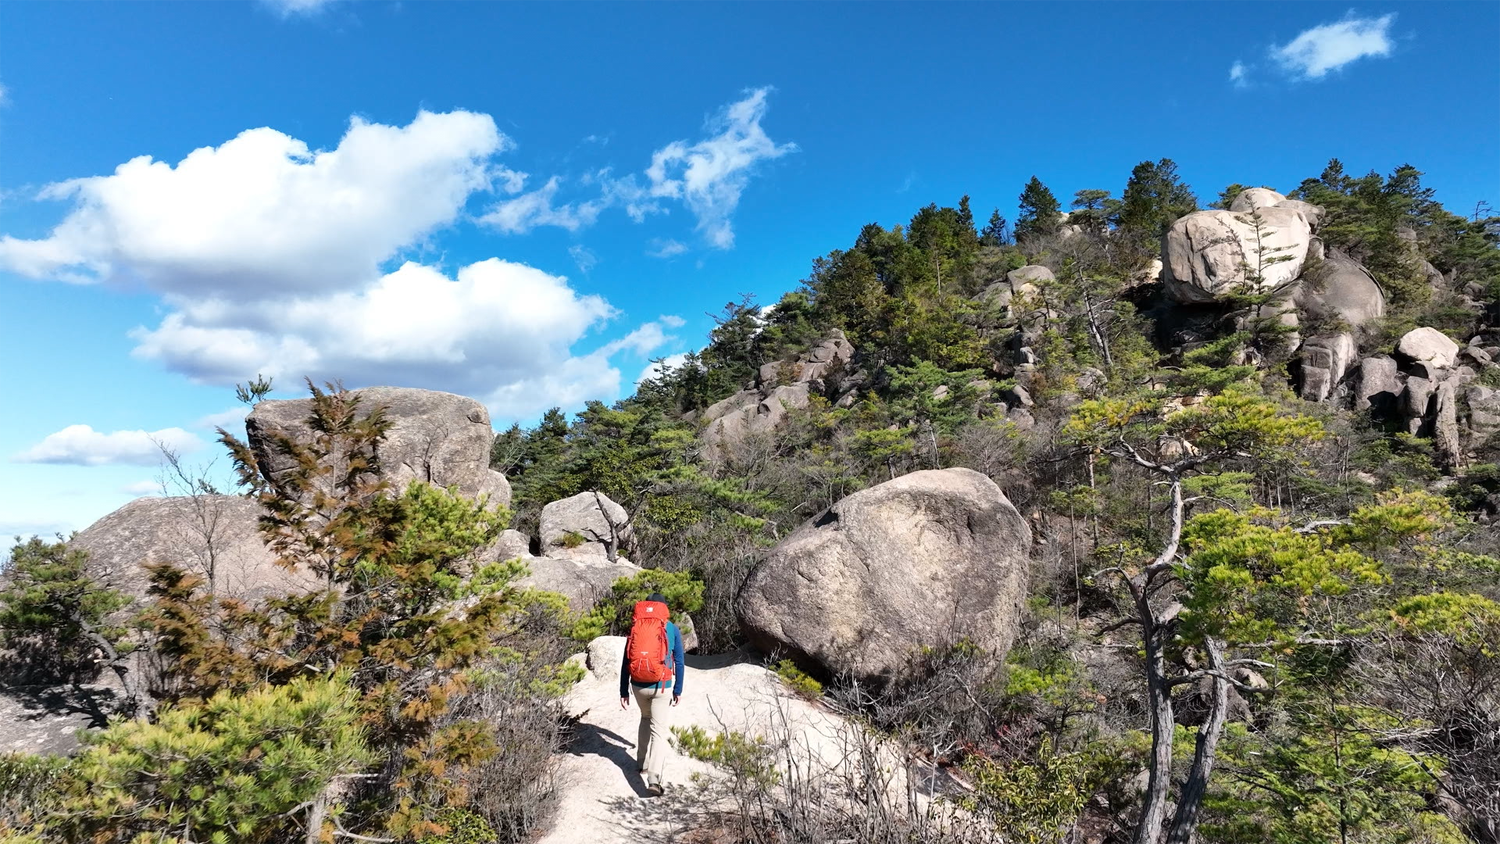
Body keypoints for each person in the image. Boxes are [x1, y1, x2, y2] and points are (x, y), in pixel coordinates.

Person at [619, 591, 685, 796]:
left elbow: (626, 660)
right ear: (664, 609)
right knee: (659, 730)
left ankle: (641, 763)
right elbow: (680, 662)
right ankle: (654, 779)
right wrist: (678, 689)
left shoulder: (636, 627)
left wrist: (623, 690)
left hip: (638, 685)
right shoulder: (671, 628)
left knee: (645, 717)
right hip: (661, 686)